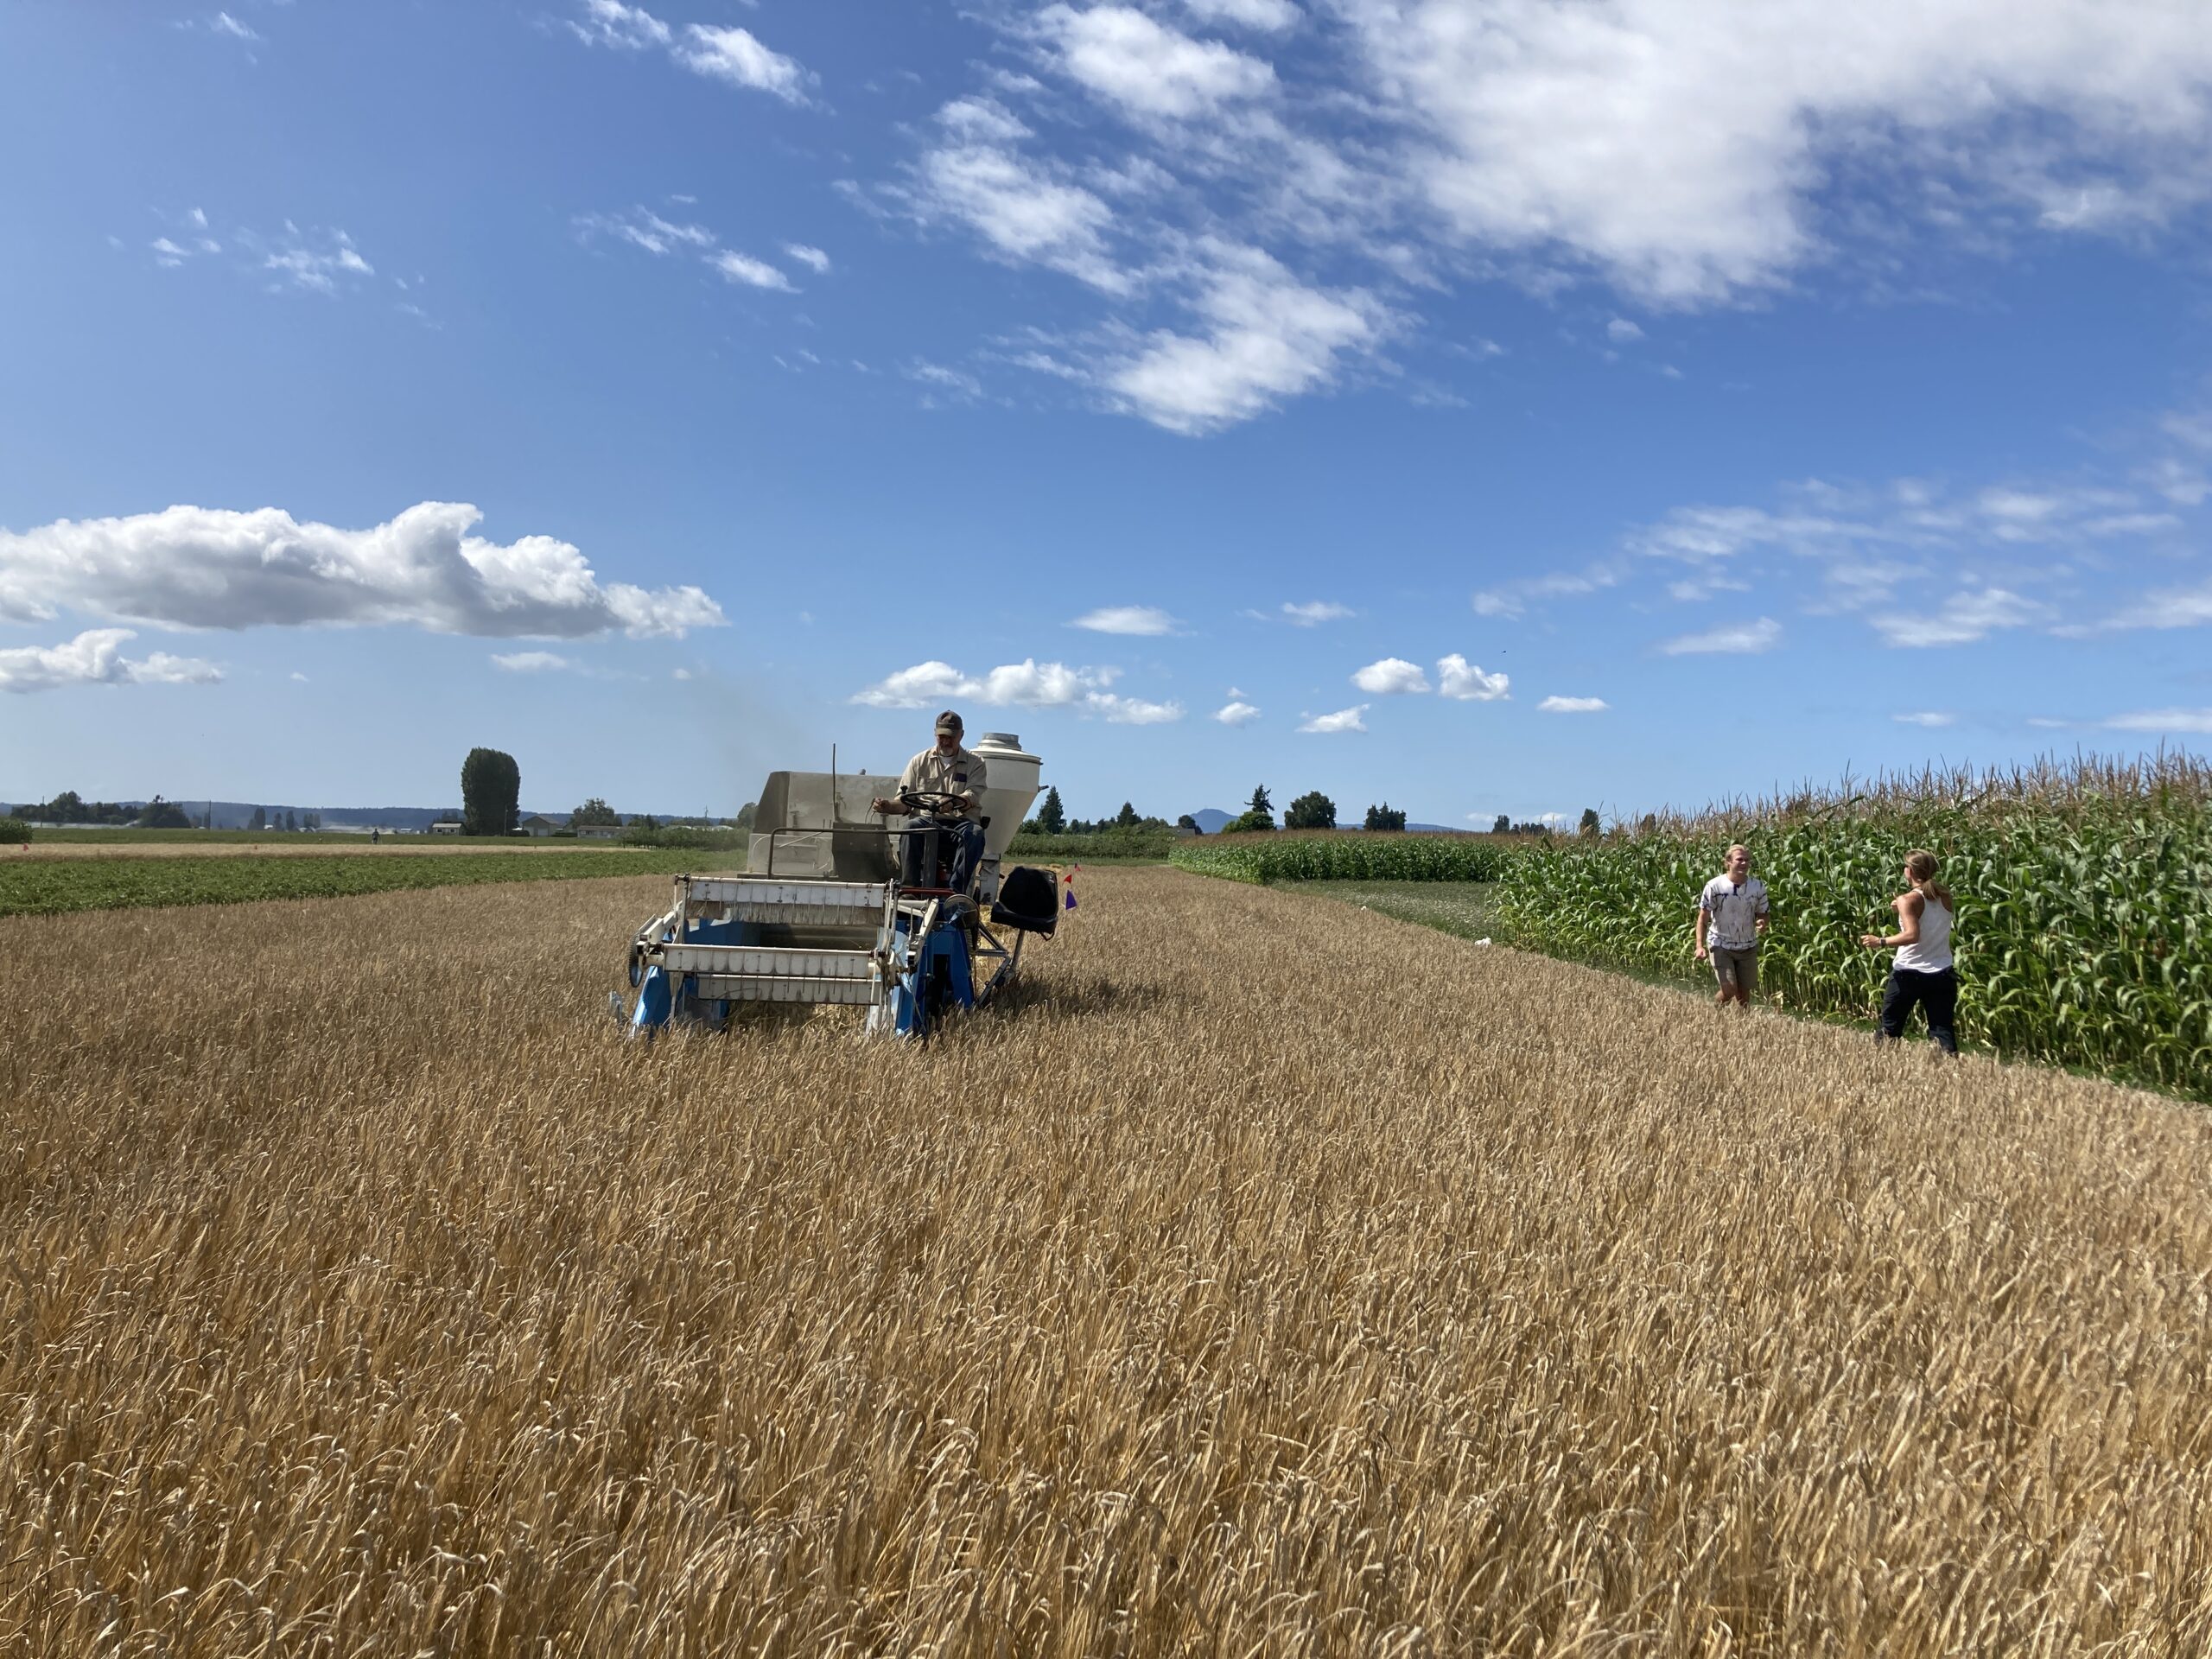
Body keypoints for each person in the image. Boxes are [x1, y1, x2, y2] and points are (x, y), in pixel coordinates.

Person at [873, 709, 988, 893]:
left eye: (951, 737)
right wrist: (887, 806)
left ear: (961, 735)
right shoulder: (919, 762)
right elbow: (904, 801)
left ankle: (955, 892)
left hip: (958, 824)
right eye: (941, 736)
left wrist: (952, 803)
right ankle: (910, 890)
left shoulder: (976, 763)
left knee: (975, 834)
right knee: (911, 827)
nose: (946, 741)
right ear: (935, 734)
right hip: (926, 821)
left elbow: (972, 795)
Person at [1861, 848, 1957, 1054]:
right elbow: (1930, 916)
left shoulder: (1908, 900)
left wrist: (1880, 941)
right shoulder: (1945, 896)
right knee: (1943, 1033)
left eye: (1906, 866)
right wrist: (1903, 909)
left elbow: (1913, 935)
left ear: (1910, 872)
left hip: (1909, 973)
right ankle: (1951, 1077)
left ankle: (1881, 1071)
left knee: (1890, 1030)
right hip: (1942, 971)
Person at [1694, 842, 1770, 1008]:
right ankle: (1712, 1012)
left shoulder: (1757, 887)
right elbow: (1703, 918)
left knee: (1743, 995)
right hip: (1721, 944)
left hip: (1747, 945)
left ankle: (1744, 1028)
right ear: (1728, 862)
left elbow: (1763, 913)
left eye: (1747, 860)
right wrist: (1699, 946)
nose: (1744, 863)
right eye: (1739, 859)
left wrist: (1763, 923)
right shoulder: (1715, 886)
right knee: (1728, 990)